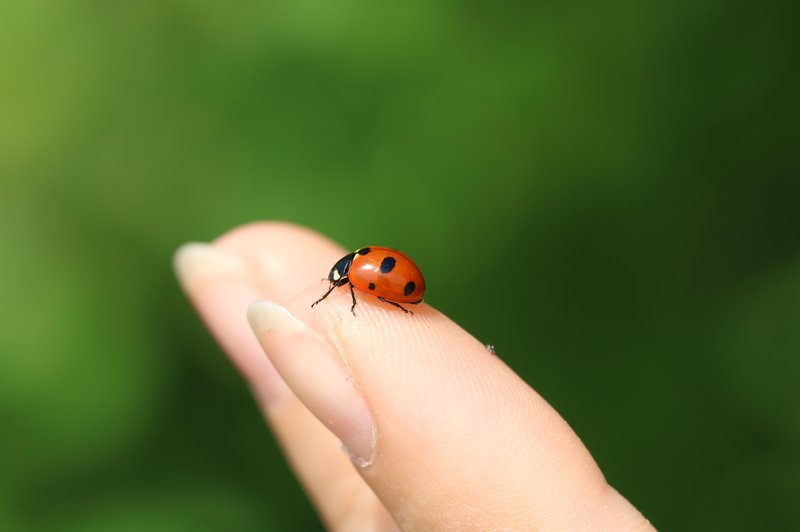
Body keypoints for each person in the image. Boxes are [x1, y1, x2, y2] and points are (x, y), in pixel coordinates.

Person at [174, 222, 654, 530]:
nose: (338, 284)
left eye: (339, 280)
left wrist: (364, 295)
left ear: (343, 276)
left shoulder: (355, 276)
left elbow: (364, 290)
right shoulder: (358, 267)